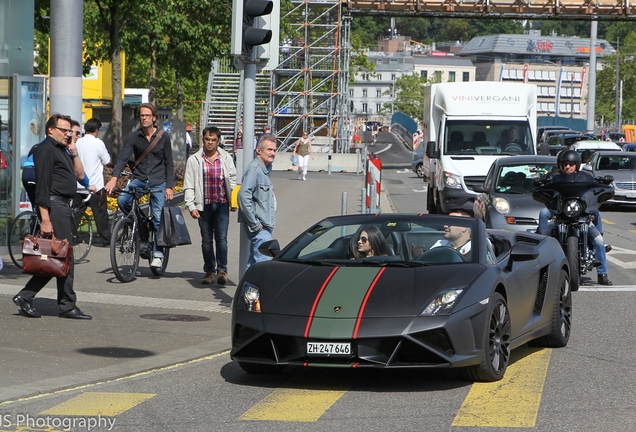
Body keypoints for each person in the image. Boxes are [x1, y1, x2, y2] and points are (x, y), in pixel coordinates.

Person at [12, 114, 92, 320]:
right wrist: (45, 219)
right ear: (51, 130)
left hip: (62, 206)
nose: (68, 134)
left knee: (57, 256)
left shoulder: (62, 150)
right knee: (64, 256)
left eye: (70, 131)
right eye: (64, 130)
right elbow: (43, 188)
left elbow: (80, 176)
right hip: (54, 206)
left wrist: (73, 151)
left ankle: (26, 296)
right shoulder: (45, 150)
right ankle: (66, 305)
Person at [104, 103, 175, 268]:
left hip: (159, 181)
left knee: (158, 218)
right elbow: (122, 158)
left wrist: (169, 186)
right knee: (123, 200)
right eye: (142, 115)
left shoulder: (163, 137)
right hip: (140, 179)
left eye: (147, 116)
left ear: (154, 118)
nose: (144, 118)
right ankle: (139, 223)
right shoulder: (133, 137)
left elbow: (169, 163)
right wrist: (114, 178)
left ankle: (158, 253)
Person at [536, 149, 612, 285]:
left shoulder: (585, 177)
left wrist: (603, 182)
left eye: (571, 164)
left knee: (599, 241)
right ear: (560, 164)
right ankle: (540, 270)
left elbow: (594, 187)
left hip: (581, 216)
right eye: (565, 164)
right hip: (560, 216)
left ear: (577, 164)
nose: (568, 167)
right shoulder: (554, 178)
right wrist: (540, 183)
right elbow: (546, 189)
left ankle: (603, 274)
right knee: (544, 237)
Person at [184, 126, 237, 285]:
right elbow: (188, 184)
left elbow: (232, 180)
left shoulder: (226, 158)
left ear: (218, 141)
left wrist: (233, 200)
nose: (210, 143)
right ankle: (209, 271)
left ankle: (222, 270)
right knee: (206, 240)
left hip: (221, 204)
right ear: (203, 139)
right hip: (203, 205)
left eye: (213, 140)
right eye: (207, 139)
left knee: (222, 238)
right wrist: (191, 206)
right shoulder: (194, 159)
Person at [238, 133, 277, 269]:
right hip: (261, 227)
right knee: (263, 266)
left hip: (264, 225)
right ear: (258, 150)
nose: (272, 153)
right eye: (269, 150)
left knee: (253, 265)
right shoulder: (255, 169)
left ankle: (246, 290)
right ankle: (261, 290)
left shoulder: (264, 169)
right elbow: (243, 196)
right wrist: (254, 223)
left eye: (274, 150)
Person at [75, 118, 111, 246]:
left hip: (78, 186)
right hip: (96, 186)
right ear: (97, 130)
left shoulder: (77, 142)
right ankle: (105, 240)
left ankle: (71, 237)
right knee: (100, 214)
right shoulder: (98, 143)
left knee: (75, 213)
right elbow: (107, 160)